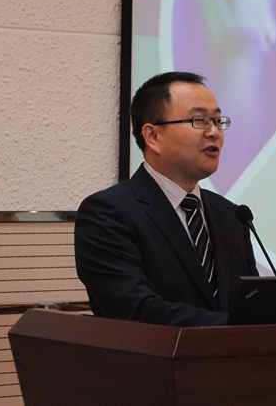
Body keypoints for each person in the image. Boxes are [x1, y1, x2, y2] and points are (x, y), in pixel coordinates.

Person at [75, 72, 259, 327]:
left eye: (218, 121)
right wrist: (235, 328)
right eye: (200, 120)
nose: (214, 132)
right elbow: (137, 311)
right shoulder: (108, 214)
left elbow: (250, 305)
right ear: (153, 136)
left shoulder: (231, 216)